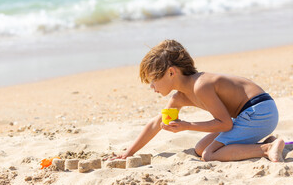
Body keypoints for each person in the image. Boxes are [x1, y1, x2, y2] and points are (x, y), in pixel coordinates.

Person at [118, 39, 285, 162]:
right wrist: (129, 152)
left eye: (153, 79)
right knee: (200, 149)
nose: (152, 86)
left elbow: (225, 124)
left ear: (171, 72)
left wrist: (187, 126)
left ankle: (266, 149)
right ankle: (269, 142)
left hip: (259, 112)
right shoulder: (179, 97)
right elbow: (158, 123)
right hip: (249, 114)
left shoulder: (200, 86)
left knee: (209, 154)